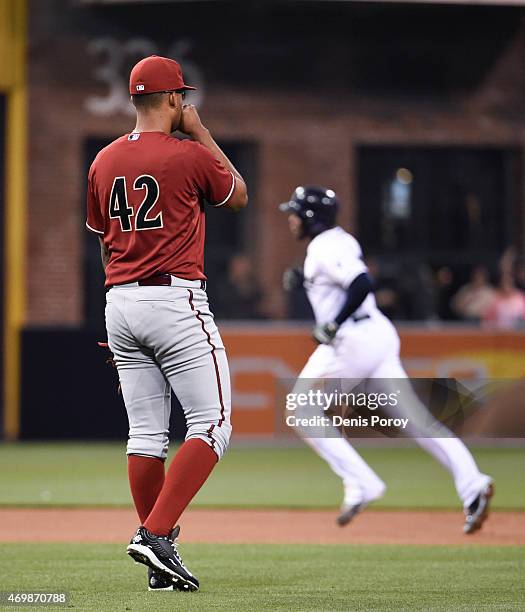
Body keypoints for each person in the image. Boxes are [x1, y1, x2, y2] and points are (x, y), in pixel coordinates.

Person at [86, 55, 248, 592]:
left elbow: (102, 240)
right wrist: (201, 131)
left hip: (120, 299)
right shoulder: (187, 153)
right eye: (184, 99)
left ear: (135, 100)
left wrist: (121, 306)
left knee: (146, 434)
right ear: (175, 100)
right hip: (173, 299)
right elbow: (237, 196)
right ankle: (155, 536)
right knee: (213, 424)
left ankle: (161, 556)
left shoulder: (103, 160)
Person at [279, 185, 493, 534]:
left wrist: (334, 322)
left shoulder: (322, 246)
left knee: (300, 408)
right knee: (417, 422)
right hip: (377, 334)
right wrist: (306, 280)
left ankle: (361, 482)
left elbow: (361, 282)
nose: (289, 219)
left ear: (309, 216)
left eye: (294, 212)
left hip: (354, 340)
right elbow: (344, 279)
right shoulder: (340, 240)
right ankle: (474, 485)